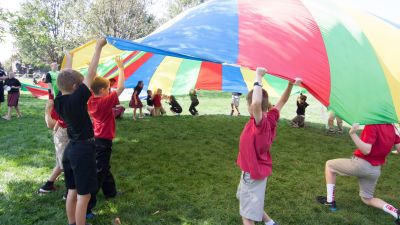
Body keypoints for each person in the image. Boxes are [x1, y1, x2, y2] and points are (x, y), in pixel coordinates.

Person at [236, 67, 301, 225]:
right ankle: (270, 222)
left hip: (252, 173)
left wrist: (258, 77)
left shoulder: (261, 124)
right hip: (255, 170)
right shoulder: (271, 117)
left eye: (248, 104)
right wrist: (290, 84)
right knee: (245, 198)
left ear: (251, 106)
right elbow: (283, 101)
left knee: (246, 215)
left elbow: (257, 103)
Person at [54, 39, 106, 225]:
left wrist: (69, 58)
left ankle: (72, 223)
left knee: (73, 191)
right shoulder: (77, 100)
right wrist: (98, 48)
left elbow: (64, 77)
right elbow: (91, 72)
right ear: (77, 87)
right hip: (82, 151)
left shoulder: (59, 99)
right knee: (84, 196)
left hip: (70, 150)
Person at [316, 123, 400, 224]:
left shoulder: (372, 125)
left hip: (360, 165)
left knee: (329, 165)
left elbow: (366, 150)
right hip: (375, 170)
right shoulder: (393, 128)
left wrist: (352, 134)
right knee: (367, 199)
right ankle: (396, 213)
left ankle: (330, 202)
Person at [86, 56, 126, 218]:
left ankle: (111, 192)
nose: (110, 90)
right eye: (108, 88)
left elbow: (91, 82)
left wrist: (93, 71)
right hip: (103, 141)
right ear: (102, 91)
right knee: (99, 171)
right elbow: (121, 88)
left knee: (104, 167)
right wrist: (121, 68)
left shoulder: (90, 100)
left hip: (97, 138)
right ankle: (87, 206)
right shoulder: (104, 102)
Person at [38, 92, 69, 194]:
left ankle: (48, 185)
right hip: (63, 135)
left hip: (61, 134)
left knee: (62, 162)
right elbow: (51, 125)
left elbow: (57, 124)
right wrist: (48, 111)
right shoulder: (62, 103)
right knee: (66, 163)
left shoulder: (61, 101)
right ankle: (69, 191)